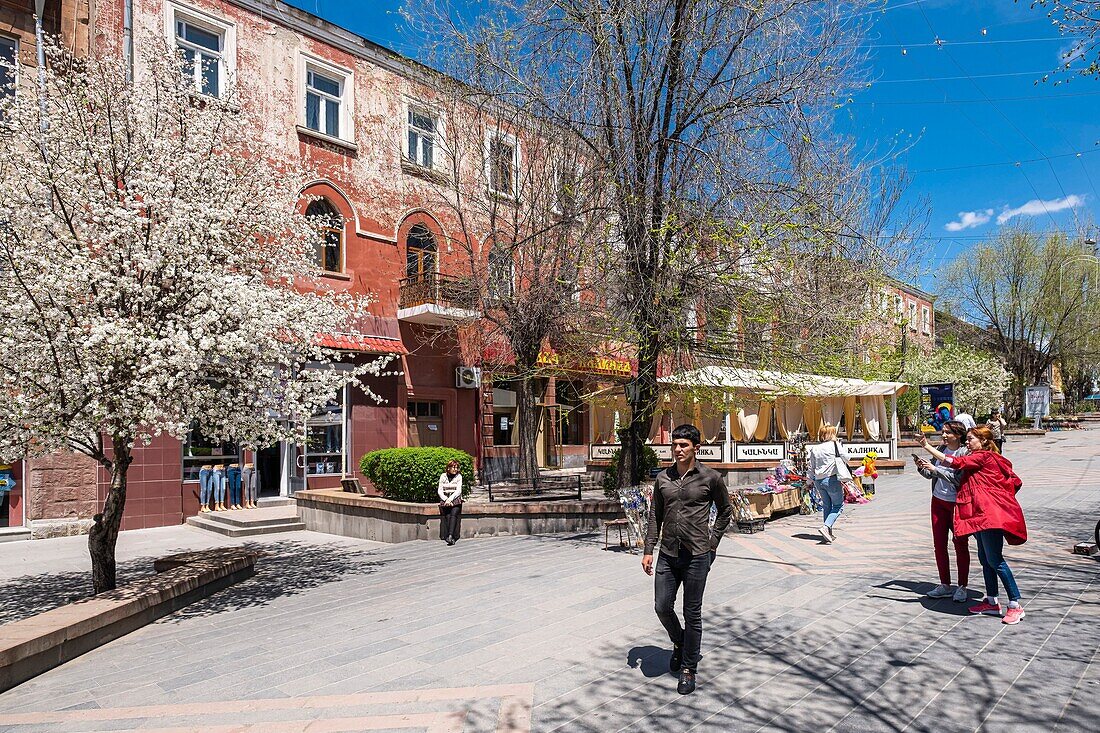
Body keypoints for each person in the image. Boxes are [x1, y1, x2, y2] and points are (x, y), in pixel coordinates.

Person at [643, 424, 733, 696]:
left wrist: (713, 542)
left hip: (697, 555)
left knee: (692, 613)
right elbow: (654, 514)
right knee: (661, 606)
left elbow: (726, 511)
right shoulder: (663, 478)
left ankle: (688, 668)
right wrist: (649, 549)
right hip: (668, 554)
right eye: (675, 445)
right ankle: (680, 642)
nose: (678, 449)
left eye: (683, 445)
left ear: (696, 447)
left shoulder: (711, 478)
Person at [920, 426, 1027, 625]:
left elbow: (954, 462)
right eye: (967, 439)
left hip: (990, 516)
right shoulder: (981, 456)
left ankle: (1015, 605)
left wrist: (926, 446)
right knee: (985, 559)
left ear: (983, 441)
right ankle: (992, 601)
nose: (967, 442)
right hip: (980, 515)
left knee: (996, 560)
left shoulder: (983, 457)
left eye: (970, 439)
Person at [915, 421, 971, 603]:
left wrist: (936, 470)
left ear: (959, 435)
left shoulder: (964, 453)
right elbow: (932, 474)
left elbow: (959, 479)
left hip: (957, 503)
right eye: (943, 432)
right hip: (938, 501)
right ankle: (945, 584)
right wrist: (922, 467)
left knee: (960, 544)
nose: (944, 436)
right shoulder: (941, 448)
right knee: (939, 544)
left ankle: (962, 586)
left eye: (948, 433)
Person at [806, 424, 849, 544]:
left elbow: (811, 467)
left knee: (827, 506)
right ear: (832, 434)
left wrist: (808, 482)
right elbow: (847, 458)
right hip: (832, 479)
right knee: (838, 506)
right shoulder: (835, 445)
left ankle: (828, 533)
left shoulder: (815, 448)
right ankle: (826, 527)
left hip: (818, 481)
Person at [437, 460, 463, 545]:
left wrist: (450, 499)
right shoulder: (443, 476)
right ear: (448, 468)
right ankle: (450, 537)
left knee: (454, 514)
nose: (455, 469)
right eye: (453, 467)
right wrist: (446, 499)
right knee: (447, 515)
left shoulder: (459, 476)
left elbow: (458, 491)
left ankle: (450, 536)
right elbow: (440, 490)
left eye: (456, 467)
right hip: (445, 499)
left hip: (455, 499)